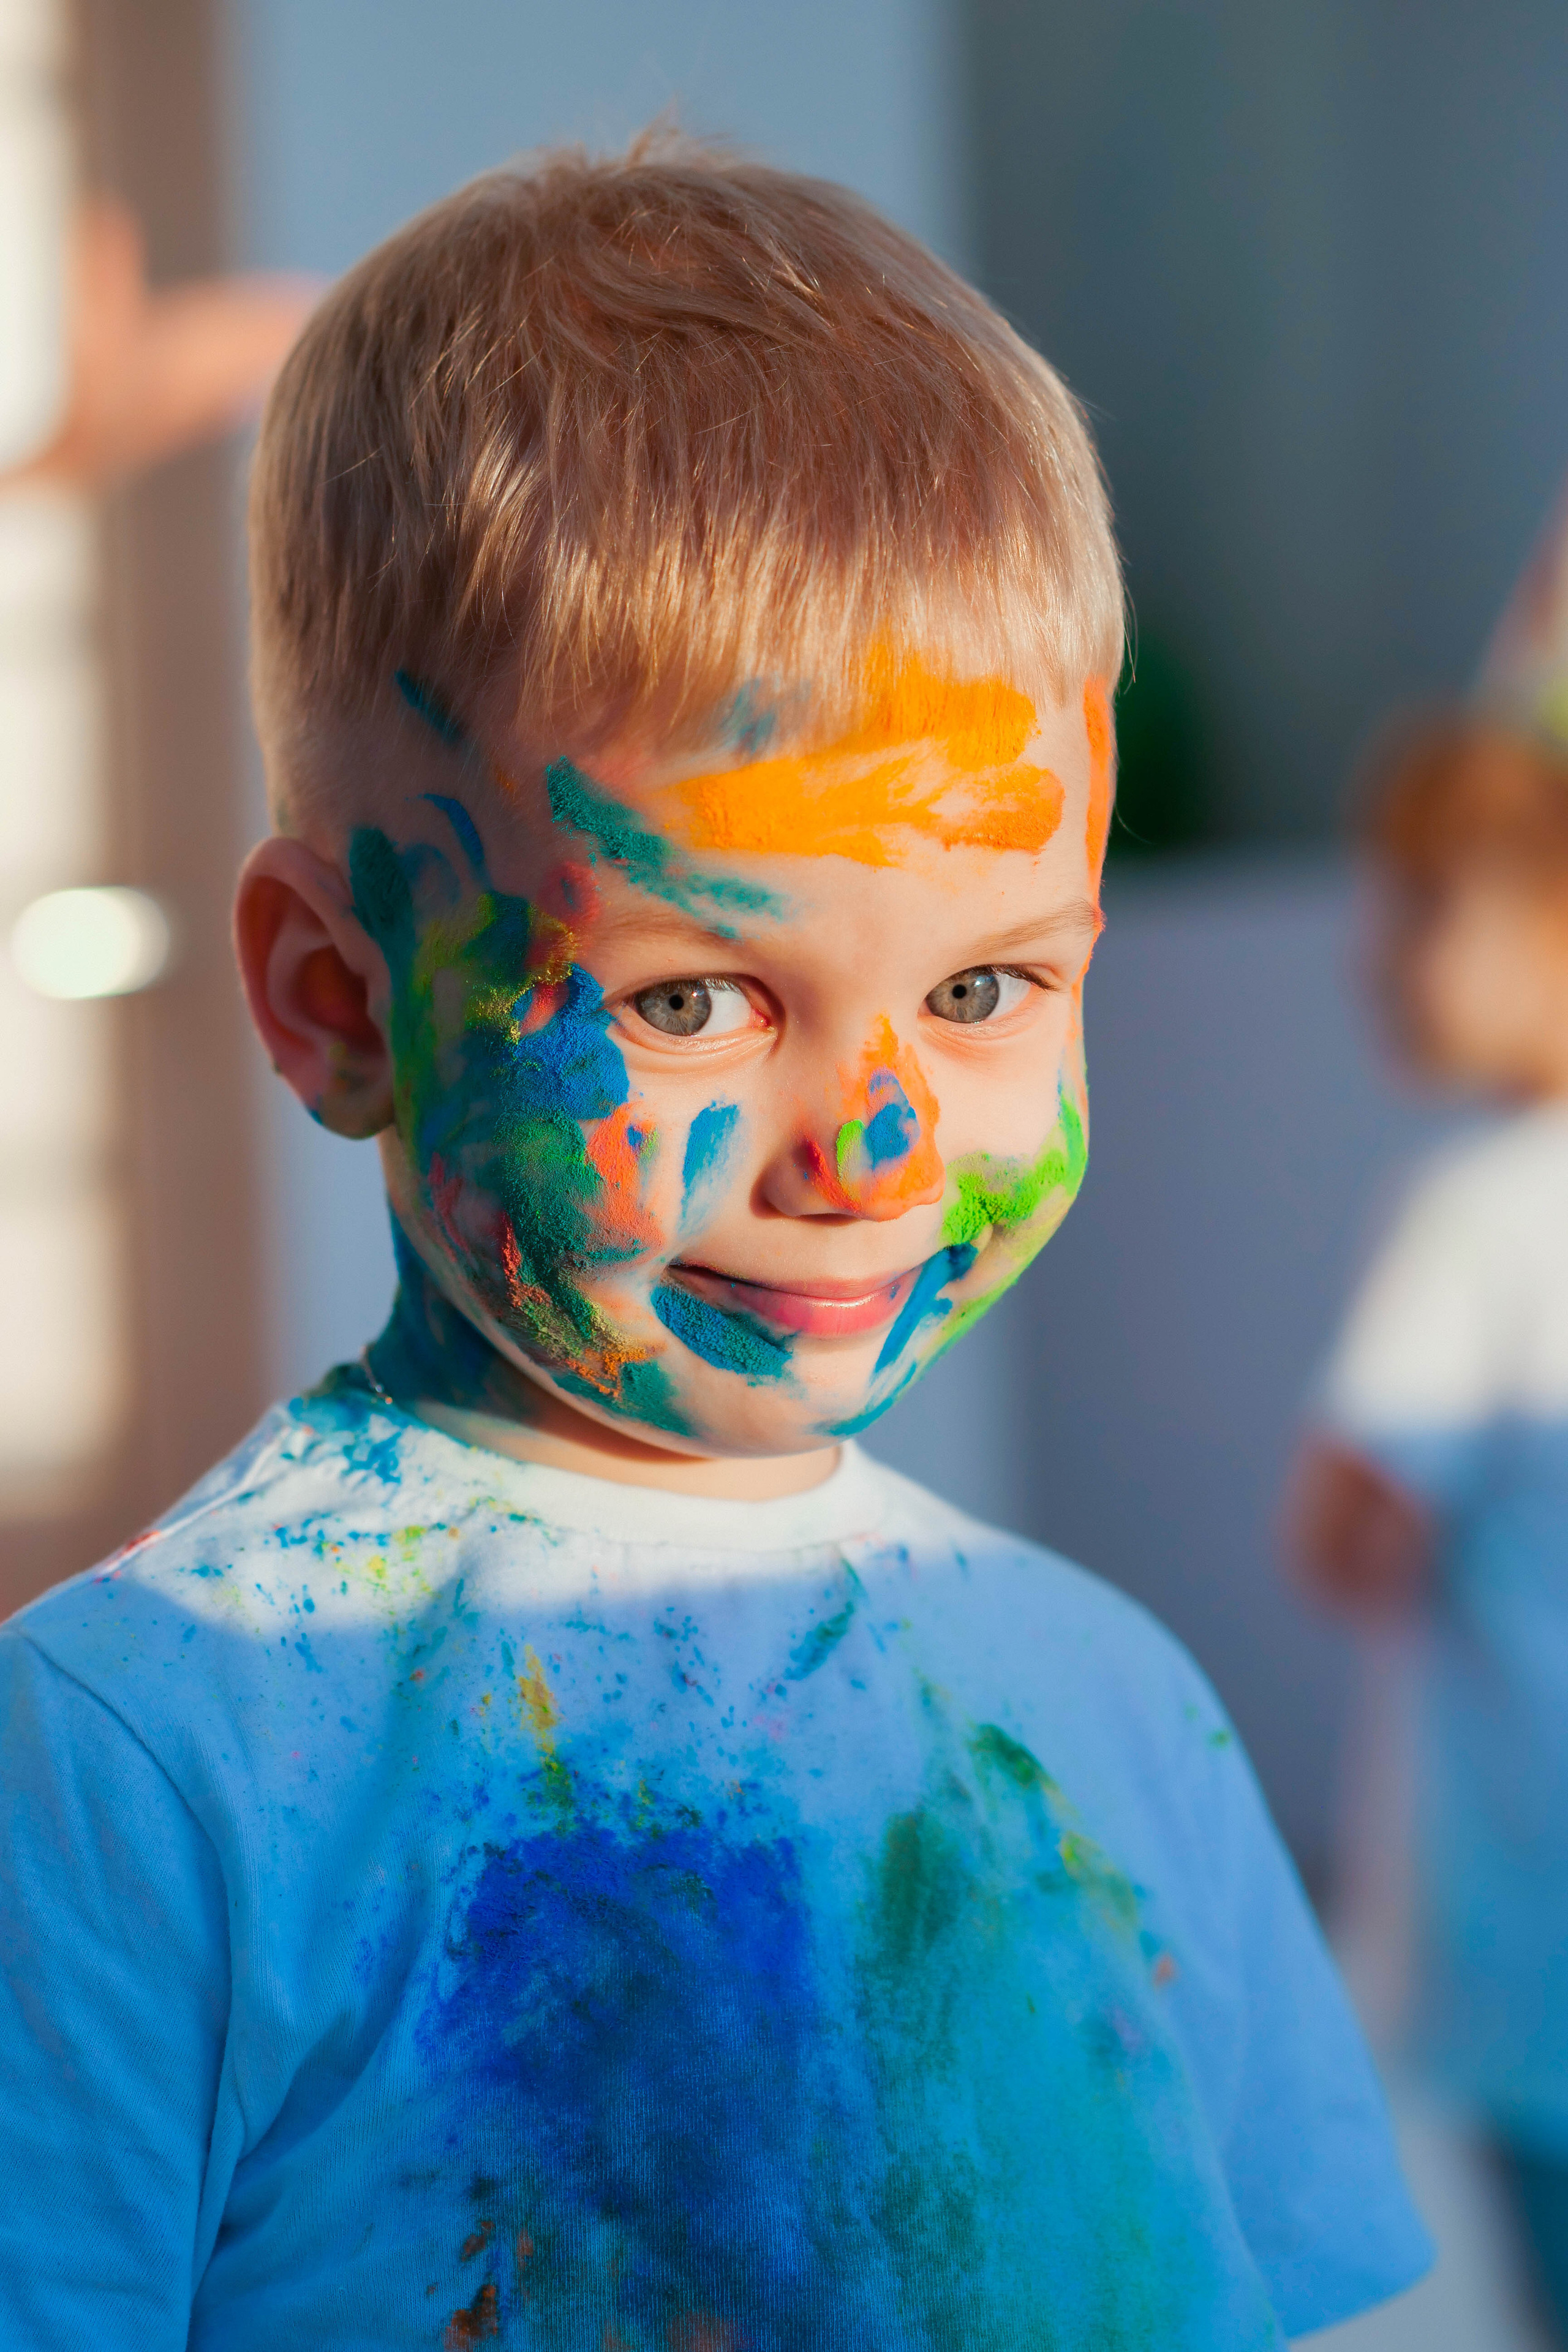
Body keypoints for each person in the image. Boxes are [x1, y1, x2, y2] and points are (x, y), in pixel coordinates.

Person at [0, 134, 1428, 2347]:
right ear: (336, 997)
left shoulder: (1115, 1710)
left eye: (982, 991)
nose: (875, 1146)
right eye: (693, 997)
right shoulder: (136, 1762)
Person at [1286, 528, 1568, 2337]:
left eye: (1425, 907)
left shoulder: (1478, 1213)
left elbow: (1342, 1527)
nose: (1379, 955)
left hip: (1525, 1949)